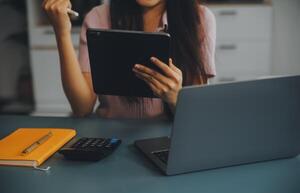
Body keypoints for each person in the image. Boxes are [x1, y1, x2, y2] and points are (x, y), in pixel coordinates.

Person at [42, 0, 216, 119]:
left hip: (171, 138)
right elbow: (82, 107)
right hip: (111, 136)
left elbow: (196, 118)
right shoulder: (98, 17)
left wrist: (175, 99)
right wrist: (61, 32)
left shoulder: (200, 19)